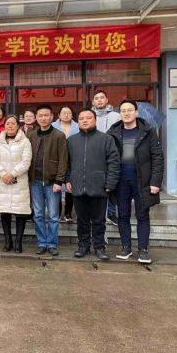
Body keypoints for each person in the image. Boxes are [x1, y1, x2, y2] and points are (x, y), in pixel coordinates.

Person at [108, 99, 164, 264]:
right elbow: (108, 157)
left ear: (136, 112)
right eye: (123, 111)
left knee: (142, 215)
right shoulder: (113, 132)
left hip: (143, 181)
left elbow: (157, 158)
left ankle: (143, 250)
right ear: (120, 114)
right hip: (121, 181)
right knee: (123, 215)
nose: (126, 113)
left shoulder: (147, 132)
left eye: (130, 110)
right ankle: (126, 247)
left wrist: (156, 182)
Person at [66, 108, 120, 261]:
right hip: (78, 186)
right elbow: (66, 163)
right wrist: (68, 179)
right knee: (81, 220)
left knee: (99, 220)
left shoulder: (106, 139)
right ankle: (83, 246)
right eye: (81, 118)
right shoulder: (71, 140)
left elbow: (114, 162)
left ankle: (99, 246)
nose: (85, 121)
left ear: (95, 120)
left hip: (99, 186)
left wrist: (110, 183)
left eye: (88, 118)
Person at [27, 104, 68, 256]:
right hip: (35, 181)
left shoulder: (59, 135)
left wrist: (59, 180)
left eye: (46, 115)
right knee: (38, 214)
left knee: (53, 215)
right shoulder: (31, 135)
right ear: (36, 118)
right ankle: (41, 242)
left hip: (52, 182)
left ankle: (52, 243)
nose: (43, 118)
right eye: (40, 116)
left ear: (52, 117)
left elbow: (63, 160)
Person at [0, 115, 32, 253]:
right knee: (5, 212)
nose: (10, 126)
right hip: (2, 181)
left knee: (20, 213)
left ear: (18, 125)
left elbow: (26, 162)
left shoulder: (25, 141)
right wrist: (3, 174)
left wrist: (12, 174)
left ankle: (18, 242)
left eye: (13, 123)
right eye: (7, 123)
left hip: (19, 182)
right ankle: (8, 241)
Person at [92, 90, 121, 226]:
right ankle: (96, 212)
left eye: (102, 97)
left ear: (107, 100)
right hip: (94, 156)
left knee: (111, 184)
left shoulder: (116, 116)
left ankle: (111, 212)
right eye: (96, 98)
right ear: (93, 101)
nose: (99, 100)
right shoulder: (90, 116)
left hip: (111, 154)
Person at [52, 105, 79, 224]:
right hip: (56, 159)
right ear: (59, 115)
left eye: (69, 113)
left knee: (70, 186)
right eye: (64, 112)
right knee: (57, 186)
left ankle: (68, 213)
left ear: (72, 115)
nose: (66, 115)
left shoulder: (77, 126)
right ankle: (57, 212)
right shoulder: (53, 126)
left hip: (73, 158)